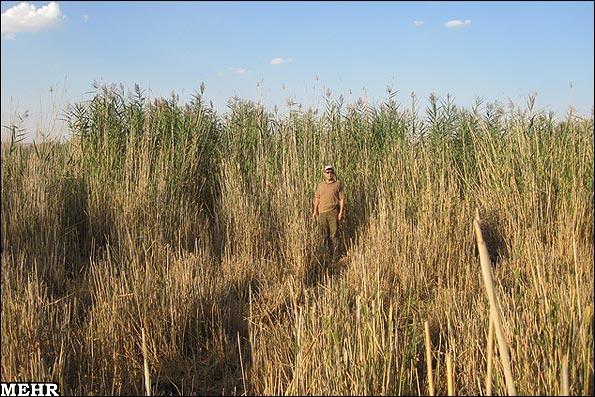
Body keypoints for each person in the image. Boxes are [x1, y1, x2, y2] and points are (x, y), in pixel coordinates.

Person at [312, 165, 345, 260]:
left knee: (334, 235)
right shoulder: (320, 185)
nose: (329, 174)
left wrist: (341, 212)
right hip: (322, 213)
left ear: (333, 173)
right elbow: (317, 198)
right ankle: (325, 254)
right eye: (327, 172)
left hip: (333, 212)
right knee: (323, 235)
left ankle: (335, 256)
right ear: (324, 173)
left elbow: (342, 199)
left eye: (331, 172)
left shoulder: (337, 184)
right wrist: (315, 211)